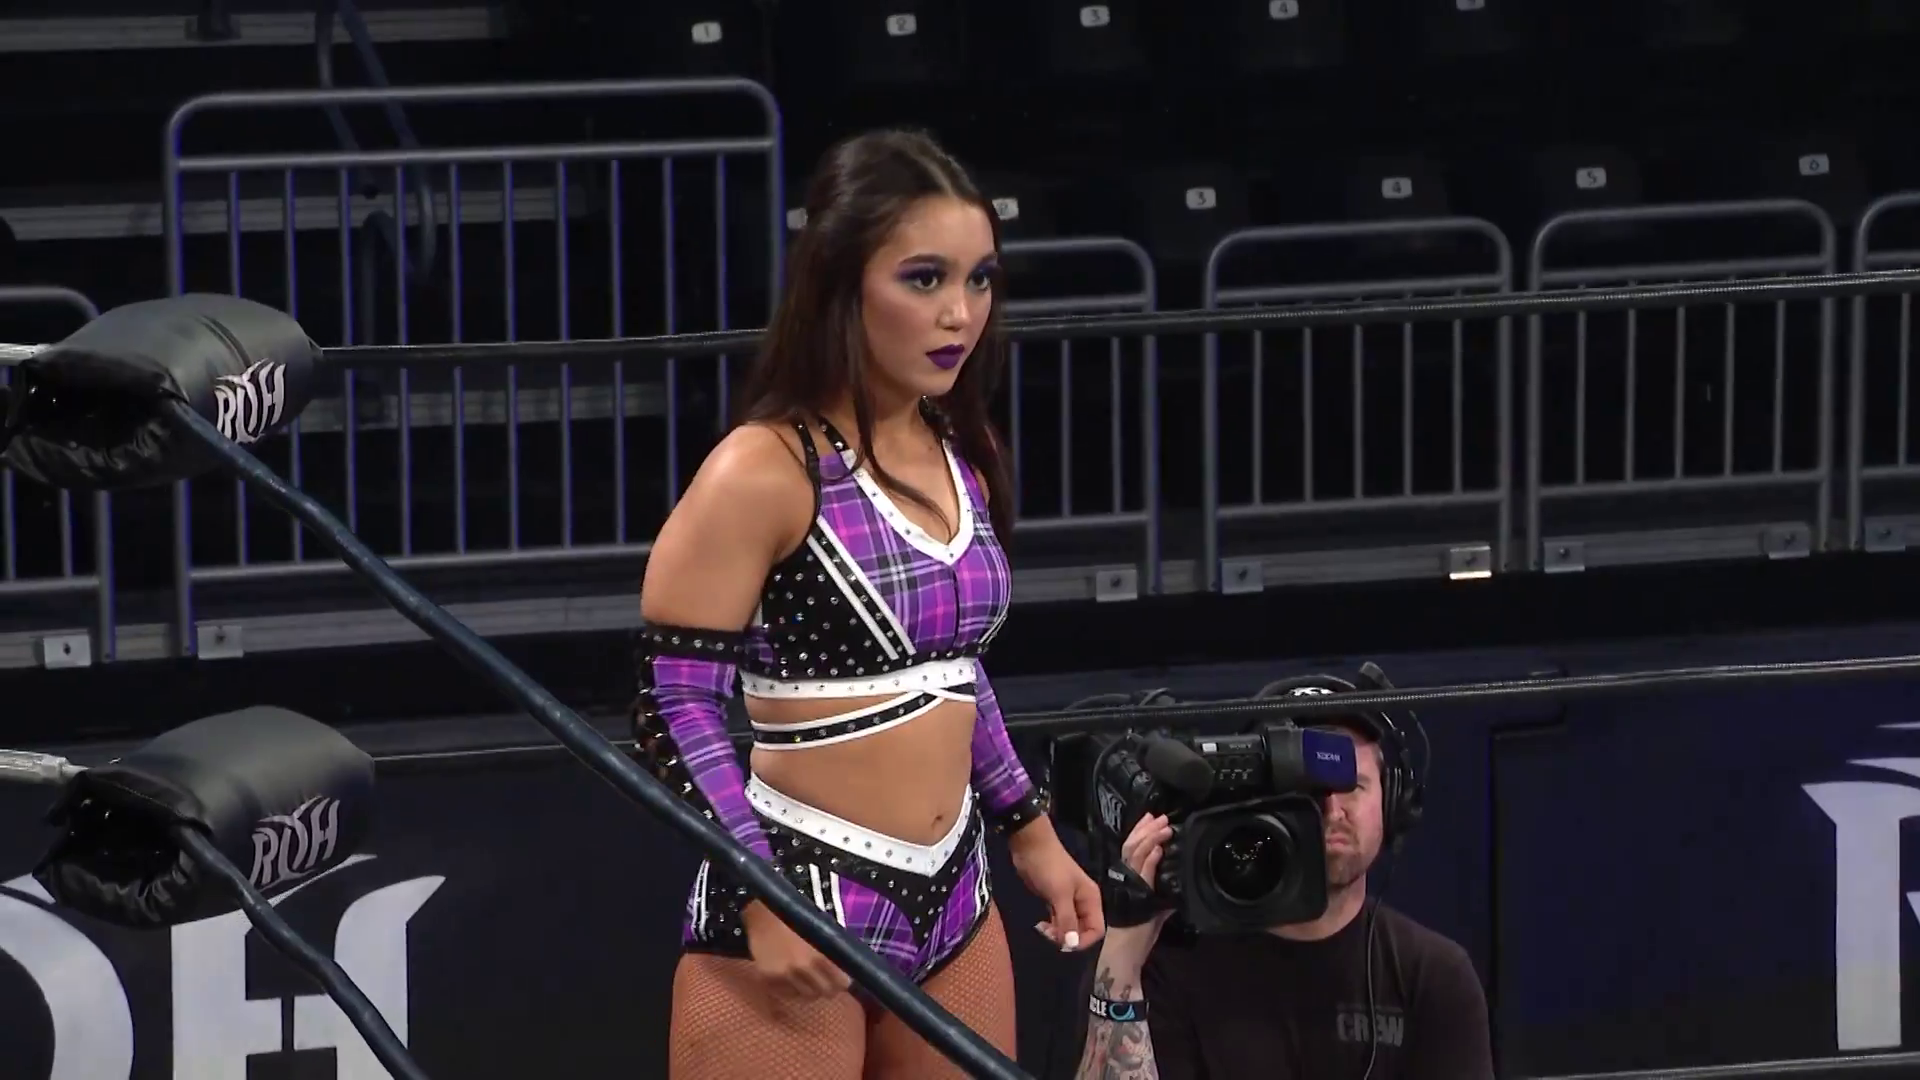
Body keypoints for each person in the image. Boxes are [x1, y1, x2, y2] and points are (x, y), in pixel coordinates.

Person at [631, 128, 1105, 1080]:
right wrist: (761, 891)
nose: (960, 314)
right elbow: (672, 703)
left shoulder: (963, 454)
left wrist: (1030, 829)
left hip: (957, 896)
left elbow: (951, 671)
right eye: (924, 279)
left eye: (979, 279)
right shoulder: (762, 469)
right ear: (841, 284)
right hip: (802, 881)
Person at [1069, 677, 1493, 1080]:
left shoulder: (1433, 976)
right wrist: (1124, 952)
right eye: (1306, 785)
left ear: (1393, 802)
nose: (1330, 809)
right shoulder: (1160, 967)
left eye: (1351, 784)